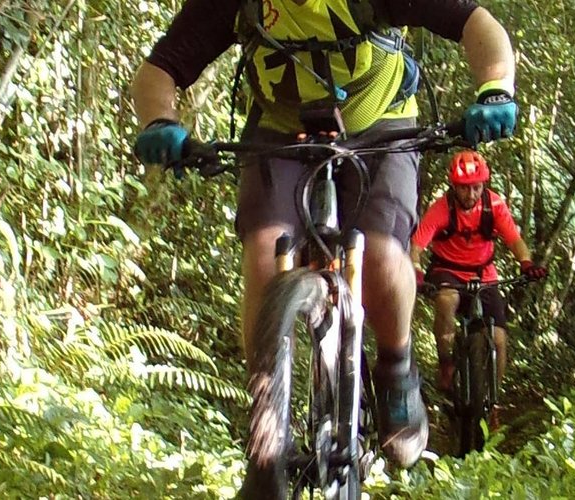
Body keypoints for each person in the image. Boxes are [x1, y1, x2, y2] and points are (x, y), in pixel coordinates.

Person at [131, 0, 517, 469]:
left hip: (381, 124)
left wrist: (495, 89)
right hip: (280, 130)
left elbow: (476, 24)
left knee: (379, 253)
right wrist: (159, 121)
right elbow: (160, 69)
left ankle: (396, 368)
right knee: (264, 250)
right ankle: (265, 430)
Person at [410, 150, 547, 427]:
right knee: (446, 301)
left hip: (484, 273)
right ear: (454, 186)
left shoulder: (494, 206)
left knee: (498, 338)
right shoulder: (442, 208)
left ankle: (494, 402)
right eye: (464, 187)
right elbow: (417, 246)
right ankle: (446, 364)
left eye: (476, 187)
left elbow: (514, 239)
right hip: (447, 270)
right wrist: (416, 270)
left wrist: (526, 262)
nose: (471, 194)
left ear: (484, 184)